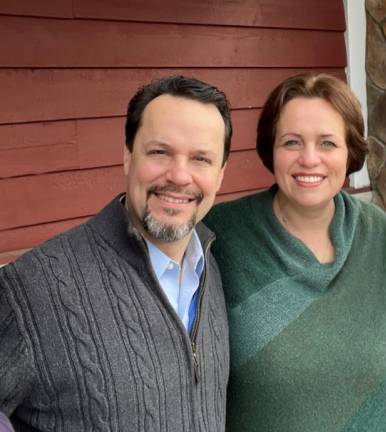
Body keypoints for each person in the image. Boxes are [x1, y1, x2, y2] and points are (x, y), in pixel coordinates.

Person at [0, 75, 231, 431]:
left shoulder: (213, 266)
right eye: (160, 152)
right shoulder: (33, 287)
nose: (179, 175)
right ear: (127, 156)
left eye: (201, 159)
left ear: (220, 175)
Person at [204, 73, 386, 431]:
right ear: (272, 149)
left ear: (350, 151)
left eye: (327, 143)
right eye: (292, 142)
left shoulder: (378, 235)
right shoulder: (220, 237)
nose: (309, 159)